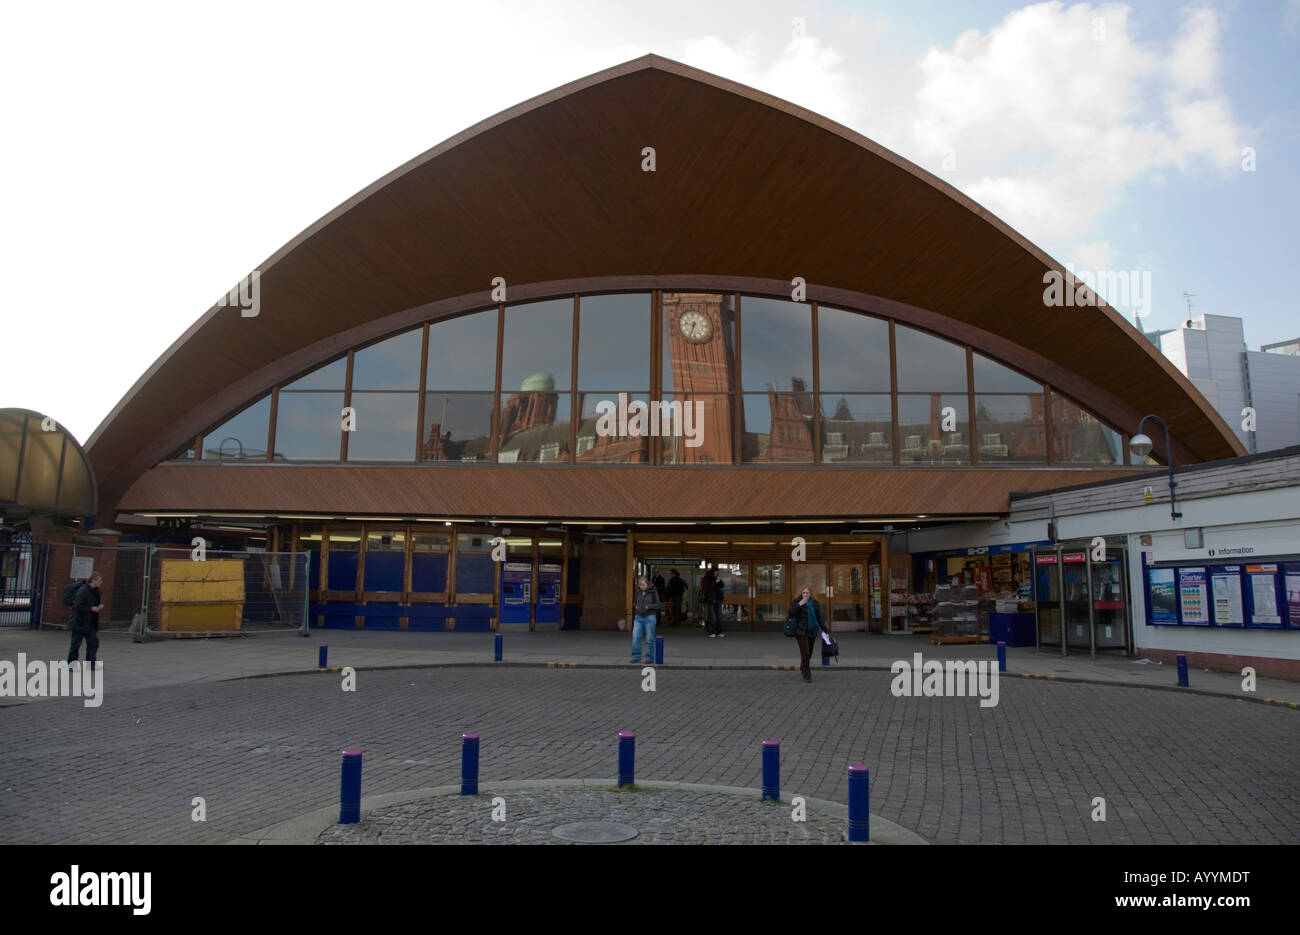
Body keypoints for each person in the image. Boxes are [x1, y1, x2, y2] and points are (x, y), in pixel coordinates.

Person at [787, 586, 824, 682]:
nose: (805, 595)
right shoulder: (797, 602)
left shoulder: (814, 604)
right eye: (804, 593)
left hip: (812, 631)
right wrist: (799, 604)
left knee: (809, 654)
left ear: (810, 594)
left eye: (807, 593)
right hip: (800, 631)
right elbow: (790, 613)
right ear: (801, 594)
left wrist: (825, 631)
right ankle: (807, 674)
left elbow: (820, 618)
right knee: (805, 652)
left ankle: (802, 666)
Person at [67, 573, 104, 666]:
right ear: (93, 580)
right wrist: (90, 608)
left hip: (91, 622)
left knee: (93, 643)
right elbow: (77, 606)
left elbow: (97, 602)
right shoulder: (83, 591)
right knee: (75, 645)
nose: (101, 582)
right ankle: (71, 664)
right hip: (79, 622)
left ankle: (91, 663)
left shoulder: (97, 591)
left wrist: (100, 605)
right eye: (99, 580)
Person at [630, 575, 661, 664]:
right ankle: (636, 656)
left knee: (649, 638)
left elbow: (658, 605)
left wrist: (648, 606)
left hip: (650, 617)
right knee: (635, 637)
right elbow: (636, 601)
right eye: (640, 585)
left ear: (647, 584)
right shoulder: (638, 592)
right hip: (638, 617)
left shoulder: (653, 592)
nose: (642, 587)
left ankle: (649, 658)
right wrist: (635, 606)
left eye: (643, 585)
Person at [705, 566, 725, 638]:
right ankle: (711, 632)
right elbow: (708, 588)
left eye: (717, 573)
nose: (717, 574)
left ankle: (718, 632)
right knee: (711, 616)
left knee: (719, 616)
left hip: (718, 599)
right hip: (711, 600)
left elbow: (722, 586)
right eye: (716, 573)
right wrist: (715, 582)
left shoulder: (717, 578)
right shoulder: (708, 579)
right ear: (712, 572)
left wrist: (719, 581)